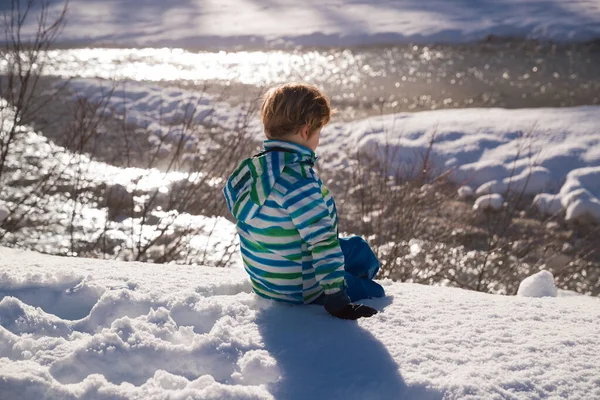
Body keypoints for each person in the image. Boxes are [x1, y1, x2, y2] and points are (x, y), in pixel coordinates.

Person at [223, 83, 384, 320]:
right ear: (306, 132)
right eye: (319, 133)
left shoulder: (253, 171)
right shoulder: (298, 181)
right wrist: (338, 299)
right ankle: (341, 283)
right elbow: (322, 242)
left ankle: (343, 276)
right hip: (299, 289)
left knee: (357, 247)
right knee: (376, 291)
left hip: (266, 281)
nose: (318, 140)